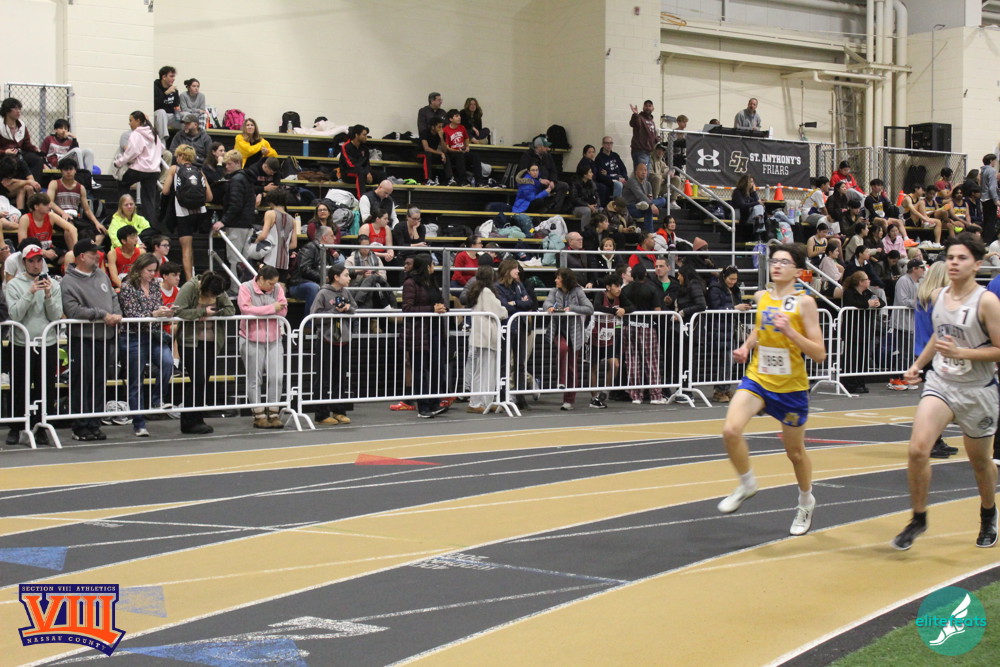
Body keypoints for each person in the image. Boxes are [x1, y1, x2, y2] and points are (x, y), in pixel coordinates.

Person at [892, 234, 1000, 550]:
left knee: (980, 463)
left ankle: (988, 513)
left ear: (977, 264)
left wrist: (963, 353)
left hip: (977, 390)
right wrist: (918, 365)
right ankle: (918, 518)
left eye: (962, 258)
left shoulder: (986, 302)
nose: (954, 262)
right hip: (941, 383)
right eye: (950, 257)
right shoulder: (938, 296)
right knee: (917, 449)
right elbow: (938, 337)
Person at [718, 243, 827, 536]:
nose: (777, 265)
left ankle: (806, 501)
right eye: (774, 261)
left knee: (795, 453)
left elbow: (819, 354)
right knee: (730, 430)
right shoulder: (761, 296)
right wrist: (746, 346)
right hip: (758, 378)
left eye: (784, 262)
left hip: (790, 387)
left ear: (798, 271)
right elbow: (761, 327)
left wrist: (791, 332)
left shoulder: (805, 303)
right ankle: (747, 483)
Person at [61, 239, 123, 442]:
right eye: (93, 253)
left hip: (104, 337)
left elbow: (113, 297)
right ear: (81, 256)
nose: (97, 256)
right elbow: (73, 310)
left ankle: (94, 423)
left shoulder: (101, 275)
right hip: (82, 338)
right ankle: (80, 425)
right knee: (81, 383)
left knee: (99, 382)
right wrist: (102, 315)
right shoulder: (68, 281)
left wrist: (116, 314)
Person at [5, 244, 62, 445]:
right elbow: (15, 315)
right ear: (24, 262)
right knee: (19, 386)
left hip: (47, 343)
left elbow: (55, 316)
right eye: (31, 261)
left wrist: (47, 295)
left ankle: (41, 426)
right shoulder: (13, 285)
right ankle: (16, 427)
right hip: (22, 344)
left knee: (45, 387)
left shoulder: (53, 285)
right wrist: (30, 292)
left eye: (39, 260)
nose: (36, 265)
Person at [117, 253, 175, 438]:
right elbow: (131, 315)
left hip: (153, 334)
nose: (152, 274)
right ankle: (139, 422)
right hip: (133, 336)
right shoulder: (128, 286)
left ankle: (157, 400)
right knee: (136, 381)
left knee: (167, 362)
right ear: (139, 269)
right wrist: (154, 314)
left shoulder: (155, 286)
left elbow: (157, 307)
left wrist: (164, 312)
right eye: (149, 271)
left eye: (154, 271)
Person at [174, 270, 235, 434]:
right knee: (198, 380)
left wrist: (217, 312)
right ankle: (188, 421)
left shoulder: (218, 289)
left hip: (211, 342)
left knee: (203, 382)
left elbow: (230, 309)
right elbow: (178, 311)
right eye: (211, 295)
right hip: (190, 342)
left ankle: (197, 418)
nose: (213, 297)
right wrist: (201, 312)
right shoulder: (190, 288)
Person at [237, 265, 288, 429]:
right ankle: (258, 415)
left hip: (274, 338)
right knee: (254, 379)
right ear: (260, 279)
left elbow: (283, 311)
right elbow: (246, 310)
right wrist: (272, 308)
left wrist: (259, 310)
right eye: (270, 283)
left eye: (275, 283)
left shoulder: (278, 288)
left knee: (277, 377)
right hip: (250, 339)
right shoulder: (245, 288)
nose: (273, 287)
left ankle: (273, 413)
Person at [401, 254, 450, 418]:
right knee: (420, 369)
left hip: (435, 330)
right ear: (426, 266)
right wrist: (431, 310)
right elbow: (407, 308)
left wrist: (443, 308)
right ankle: (423, 406)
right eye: (432, 264)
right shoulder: (410, 283)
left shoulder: (432, 281)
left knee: (437, 367)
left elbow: (440, 300)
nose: (434, 267)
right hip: (418, 332)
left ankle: (435, 402)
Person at [310, 263, 356, 425]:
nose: (349, 278)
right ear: (336, 277)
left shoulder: (346, 292)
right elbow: (314, 315)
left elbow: (354, 308)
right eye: (346, 275)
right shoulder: (323, 293)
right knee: (323, 377)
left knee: (340, 377)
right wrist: (335, 311)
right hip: (326, 340)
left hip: (342, 340)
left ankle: (339, 410)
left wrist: (348, 308)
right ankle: (321, 414)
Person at [544, 267, 594, 411]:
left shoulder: (578, 291)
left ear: (565, 280)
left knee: (573, 367)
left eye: (558, 278)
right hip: (558, 330)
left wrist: (572, 308)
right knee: (562, 348)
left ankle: (569, 400)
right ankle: (561, 380)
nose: (556, 280)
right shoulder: (554, 291)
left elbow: (589, 308)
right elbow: (546, 303)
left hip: (574, 333)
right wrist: (550, 307)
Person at [162, 144, 212, 281]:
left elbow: (165, 191)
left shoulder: (174, 169)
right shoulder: (199, 170)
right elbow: (209, 197)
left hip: (183, 213)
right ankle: (195, 276)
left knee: (186, 249)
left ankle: (190, 280)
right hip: (199, 213)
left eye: (177, 156)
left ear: (181, 156)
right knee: (193, 247)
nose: (176, 159)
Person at [620, 263, 666, 405]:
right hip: (647, 327)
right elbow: (657, 310)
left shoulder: (625, 289)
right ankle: (655, 395)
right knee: (651, 361)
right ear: (645, 274)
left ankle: (636, 395)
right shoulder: (651, 288)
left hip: (628, 326)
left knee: (632, 361)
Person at [707, 266, 752, 403]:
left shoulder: (734, 289)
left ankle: (724, 388)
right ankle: (720, 390)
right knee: (725, 360)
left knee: (728, 361)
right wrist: (734, 308)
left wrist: (742, 308)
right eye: (731, 279)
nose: (733, 282)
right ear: (724, 277)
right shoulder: (715, 289)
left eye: (735, 279)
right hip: (719, 328)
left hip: (730, 328)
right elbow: (715, 308)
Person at [465, 265, 506, 413]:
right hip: (486, 336)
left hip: (480, 336)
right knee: (485, 371)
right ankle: (476, 402)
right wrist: (505, 309)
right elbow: (500, 311)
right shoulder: (487, 292)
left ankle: (485, 401)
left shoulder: (477, 290)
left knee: (483, 371)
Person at [114, 110, 163, 229]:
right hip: (154, 170)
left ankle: (125, 212)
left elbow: (132, 152)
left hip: (140, 168)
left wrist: (119, 162)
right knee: (149, 200)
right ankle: (151, 227)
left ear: (138, 121)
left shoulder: (136, 133)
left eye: (131, 120)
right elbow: (162, 148)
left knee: (122, 183)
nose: (129, 123)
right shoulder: (154, 133)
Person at [840, 270, 885, 394]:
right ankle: (849, 384)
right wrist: (867, 304)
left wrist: (876, 303)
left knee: (863, 358)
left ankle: (861, 382)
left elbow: (882, 302)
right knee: (852, 357)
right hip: (852, 330)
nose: (869, 281)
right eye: (867, 279)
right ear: (860, 282)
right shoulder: (849, 292)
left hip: (865, 330)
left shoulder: (868, 292)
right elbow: (852, 303)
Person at [589, 272, 629, 409]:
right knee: (594, 367)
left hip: (610, 337)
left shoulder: (620, 296)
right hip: (595, 336)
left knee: (615, 365)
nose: (619, 289)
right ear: (608, 287)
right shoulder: (600, 295)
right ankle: (594, 397)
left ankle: (603, 393)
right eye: (616, 286)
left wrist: (624, 309)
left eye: (620, 286)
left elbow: (632, 307)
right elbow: (596, 307)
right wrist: (614, 311)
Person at [213, 149, 256, 278]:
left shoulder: (236, 180)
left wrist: (223, 221)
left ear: (238, 163)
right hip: (246, 223)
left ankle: (235, 287)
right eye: (225, 164)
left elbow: (235, 204)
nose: (226, 167)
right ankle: (243, 286)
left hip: (236, 225)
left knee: (234, 260)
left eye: (229, 164)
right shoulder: (247, 178)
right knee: (244, 260)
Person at [887, 258, 925, 392]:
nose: (924, 270)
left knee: (909, 354)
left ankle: (905, 378)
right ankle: (895, 379)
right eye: (922, 268)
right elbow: (902, 300)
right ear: (914, 269)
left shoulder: (920, 282)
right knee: (902, 353)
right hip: (902, 322)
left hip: (913, 323)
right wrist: (919, 303)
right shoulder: (903, 281)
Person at [18, 192, 77, 272]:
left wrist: (76, 248)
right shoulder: (25, 218)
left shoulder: (51, 215)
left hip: (50, 250)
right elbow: (22, 244)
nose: (49, 206)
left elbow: (72, 229)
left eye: (49, 204)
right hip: (32, 251)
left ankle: (67, 277)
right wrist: (44, 252)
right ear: (36, 206)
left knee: (70, 257)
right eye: (45, 204)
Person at [517, 136, 568, 213]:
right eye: (546, 147)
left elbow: (553, 170)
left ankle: (554, 210)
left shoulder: (548, 156)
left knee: (564, 186)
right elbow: (524, 173)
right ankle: (539, 209)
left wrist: (553, 181)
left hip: (547, 182)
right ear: (539, 147)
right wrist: (539, 180)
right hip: (534, 183)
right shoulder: (527, 156)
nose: (548, 149)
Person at [0, 97, 45, 182]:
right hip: (4, 155)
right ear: (7, 110)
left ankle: (33, 185)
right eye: (15, 108)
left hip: (18, 153)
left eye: (19, 108)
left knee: (37, 160)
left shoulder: (22, 125)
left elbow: (26, 145)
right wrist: (5, 151)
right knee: (16, 159)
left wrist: (35, 149)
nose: (18, 111)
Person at [254, 188, 297, 276]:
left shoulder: (270, 213)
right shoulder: (292, 220)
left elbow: (263, 235)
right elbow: (294, 244)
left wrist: (254, 242)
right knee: (281, 284)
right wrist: (282, 247)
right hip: (284, 263)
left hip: (270, 260)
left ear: (270, 201)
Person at [344, 234, 391, 309]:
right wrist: (363, 277)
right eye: (364, 246)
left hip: (375, 289)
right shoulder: (350, 260)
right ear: (358, 246)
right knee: (370, 281)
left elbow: (383, 276)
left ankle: (359, 301)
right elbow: (345, 278)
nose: (366, 248)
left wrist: (376, 275)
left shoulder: (376, 259)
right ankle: (386, 306)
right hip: (357, 289)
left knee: (373, 280)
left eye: (368, 245)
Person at [442, 108, 482, 186]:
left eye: (459, 116)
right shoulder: (446, 130)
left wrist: (467, 147)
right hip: (452, 153)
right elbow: (447, 148)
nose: (459, 117)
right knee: (459, 156)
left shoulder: (462, 127)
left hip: (462, 151)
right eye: (456, 116)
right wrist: (457, 151)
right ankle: (462, 181)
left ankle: (479, 181)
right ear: (450, 119)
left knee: (475, 156)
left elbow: (466, 138)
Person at [623, 163, 665, 233]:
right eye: (641, 170)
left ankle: (649, 234)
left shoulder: (648, 184)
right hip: (631, 208)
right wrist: (651, 204)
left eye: (645, 170)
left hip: (644, 207)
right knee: (648, 207)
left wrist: (650, 203)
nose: (644, 172)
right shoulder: (631, 181)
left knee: (663, 200)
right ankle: (650, 233)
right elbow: (640, 195)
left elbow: (650, 198)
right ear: (636, 172)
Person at [338, 124, 372, 196]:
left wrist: (368, 172)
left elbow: (367, 163)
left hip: (363, 172)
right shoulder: (346, 146)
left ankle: (381, 199)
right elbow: (350, 164)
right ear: (357, 135)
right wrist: (365, 172)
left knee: (381, 175)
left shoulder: (364, 148)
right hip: (347, 173)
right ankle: (362, 199)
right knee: (360, 173)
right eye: (364, 135)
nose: (366, 137)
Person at [595, 136, 628, 203]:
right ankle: (616, 205)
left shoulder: (615, 155)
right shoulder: (599, 158)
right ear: (603, 144)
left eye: (611, 143)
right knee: (619, 184)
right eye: (607, 143)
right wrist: (617, 178)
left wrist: (625, 177)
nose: (609, 145)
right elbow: (602, 176)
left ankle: (628, 205)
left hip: (620, 177)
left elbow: (623, 168)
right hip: (610, 180)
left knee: (631, 183)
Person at [152, 65, 181, 141]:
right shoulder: (154, 87)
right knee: (161, 112)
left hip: (170, 116)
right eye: (171, 76)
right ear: (164, 77)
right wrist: (166, 93)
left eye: (174, 76)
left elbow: (176, 105)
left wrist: (180, 112)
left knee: (187, 121)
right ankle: (162, 141)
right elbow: (155, 105)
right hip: (157, 115)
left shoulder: (174, 90)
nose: (173, 79)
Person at [419, 117, 449, 185]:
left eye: (442, 127)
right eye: (439, 127)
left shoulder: (441, 134)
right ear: (433, 127)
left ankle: (449, 178)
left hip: (431, 154)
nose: (441, 129)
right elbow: (426, 148)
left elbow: (445, 150)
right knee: (427, 155)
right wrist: (440, 153)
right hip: (420, 153)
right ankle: (427, 179)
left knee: (446, 156)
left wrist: (441, 138)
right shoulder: (425, 132)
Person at [628, 100, 658, 169]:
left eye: (649, 106)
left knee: (645, 173)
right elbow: (633, 123)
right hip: (640, 151)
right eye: (646, 106)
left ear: (653, 108)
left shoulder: (651, 121)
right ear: (643, 108)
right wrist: (635, 114)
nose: (647, 107)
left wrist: (657, 139)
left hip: (648, 152)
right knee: (642, 173)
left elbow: (651, 136)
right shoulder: (639, 118)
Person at [570, 163, 601, 229]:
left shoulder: (592, 183)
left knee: (601, 210)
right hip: (576, 207)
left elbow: (597, 196)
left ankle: (598, 231)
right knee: (587, 211)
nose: (592, 174)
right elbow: (574, 199)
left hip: (590, 206)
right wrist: (587, 205)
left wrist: (597, 205)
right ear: (584, 174)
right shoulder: (575, 183)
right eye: (590, 172)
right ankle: (585, 231)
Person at [980, 154, 999, 243]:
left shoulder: (983, 170)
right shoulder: (991, 170)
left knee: (986, 219)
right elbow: (992, 187)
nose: (995, 162)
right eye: (994, 160)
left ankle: (985, 238)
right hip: (990, 198)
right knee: (991, 221)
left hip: (984, 198)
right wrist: (996, 199)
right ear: (991, 161)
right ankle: (989, 240)